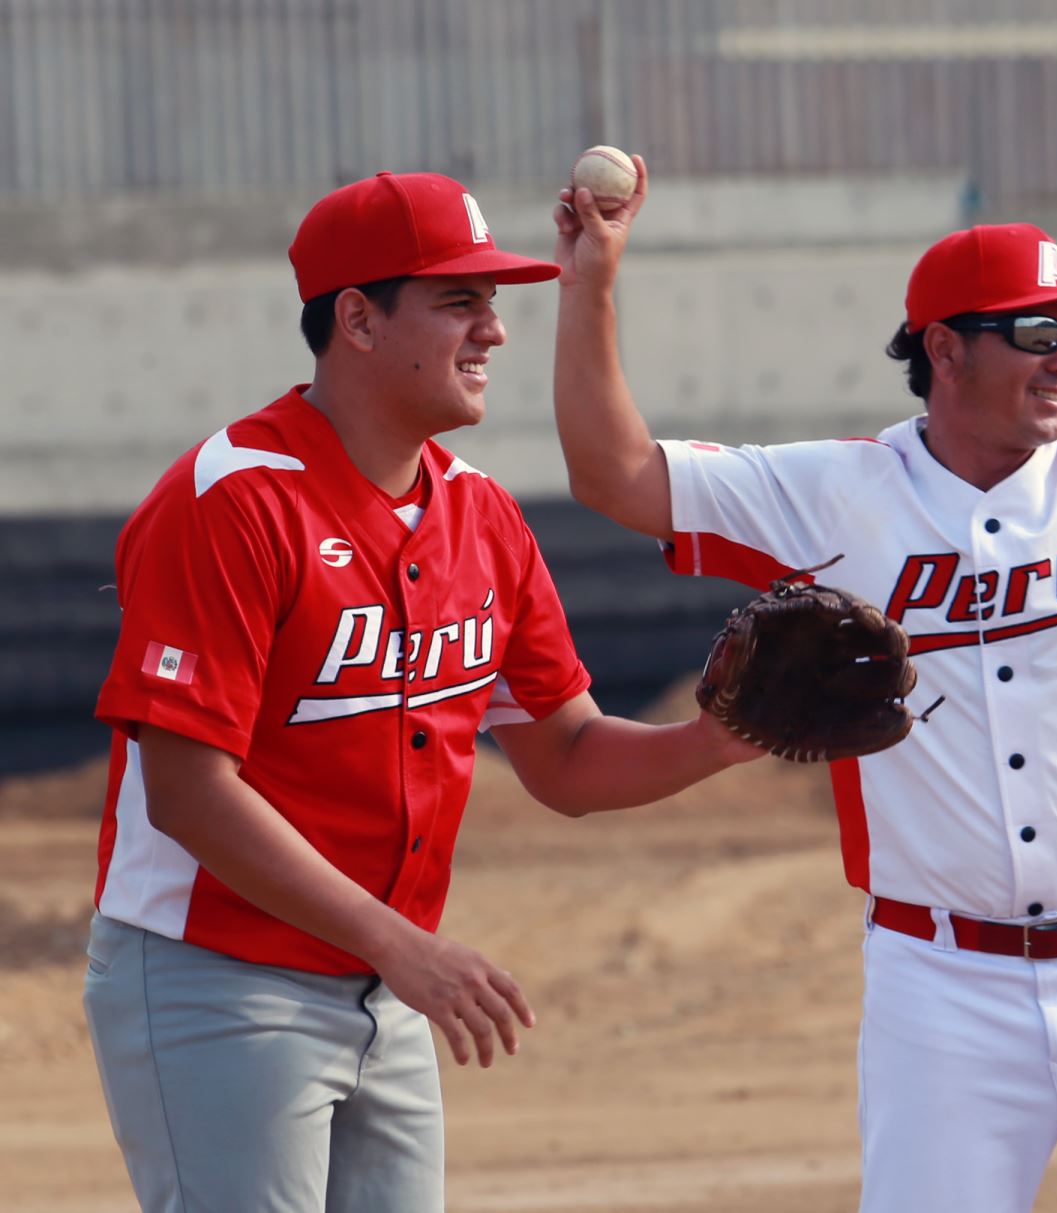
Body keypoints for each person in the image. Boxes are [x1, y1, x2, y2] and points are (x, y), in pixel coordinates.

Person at [551, 163, 1057, 1212]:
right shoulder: (837, 494)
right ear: (943, 347)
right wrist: (591, 283)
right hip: (942, 991)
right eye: (1037, 331)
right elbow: (613, 472)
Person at [84, 170, 761, 1213]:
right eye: (460, 302)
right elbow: (186, 791)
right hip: (218, 975)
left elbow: (568, 756)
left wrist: (718, 739)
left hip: (386, 986)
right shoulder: (232, 502)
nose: (493, 331)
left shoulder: (480, 517)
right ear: (356, 317)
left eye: (492, 303)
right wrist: (404, 948)